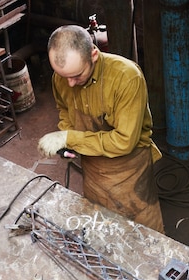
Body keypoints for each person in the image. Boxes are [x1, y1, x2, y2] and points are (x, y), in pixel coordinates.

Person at [38, 25, 165, 233]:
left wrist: (70, 137)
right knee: (102, 226)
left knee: (144, 234)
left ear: (94, 54)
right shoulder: (62, 78)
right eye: (64, 76)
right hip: (93, 167)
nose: (70, 84)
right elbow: (64, 109)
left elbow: (123, 141)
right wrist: (66, 138)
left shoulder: (127, 77)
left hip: (129, 170)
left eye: (77, 75)